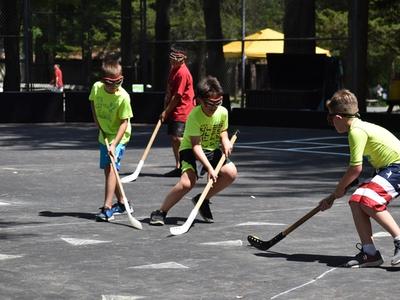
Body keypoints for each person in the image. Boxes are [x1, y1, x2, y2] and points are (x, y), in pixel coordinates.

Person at [320, 89, 400, 267]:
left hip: (397, 167)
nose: (331, 123)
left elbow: (355, 168)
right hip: (388, 168)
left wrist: (338, 190)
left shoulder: (356, 131)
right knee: (357, 200)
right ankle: (370, 253)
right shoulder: (359, 127)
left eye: (330, 119)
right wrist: (338, 193)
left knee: (369, 199)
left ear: (339, 118)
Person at [149, 76, 237, 226]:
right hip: (191, 150)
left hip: (211, 150)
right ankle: (161, 211)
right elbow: (196, 146)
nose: (214, 107)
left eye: (218, 102)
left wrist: (226, 141)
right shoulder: (194, 116)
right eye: (210, 103)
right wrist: (209, 168)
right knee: (187, 184)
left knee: (231, 173)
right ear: (199, 101)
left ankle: (203, 199)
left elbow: (223, 130)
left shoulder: (222, 112)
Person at [89, 56, 134, 222]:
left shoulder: (123, 97)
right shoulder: (96, 88)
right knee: (109, 170)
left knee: (111, 167)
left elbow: (124, 123)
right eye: (111, 83)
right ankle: (123, 203)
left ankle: (107, 207)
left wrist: (115, 144)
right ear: (103, 81)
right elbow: (93, 103)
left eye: (119, 82)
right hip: (104, 134)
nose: (115, 86)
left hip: (119, 136)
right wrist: (96, 121)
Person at [160, 46, 195, 177]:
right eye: (172, 59)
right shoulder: (173, 69)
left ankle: (190, 163)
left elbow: (178, 95)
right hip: (175, 108)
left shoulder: (182, 73)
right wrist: (166, 107)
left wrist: (166, 111)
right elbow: (169, 91)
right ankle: (179, 166)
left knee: (179, 138)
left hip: (183, 108)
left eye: (177, 59)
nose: (173, 62)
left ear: (183, 59)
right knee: (174, 139)